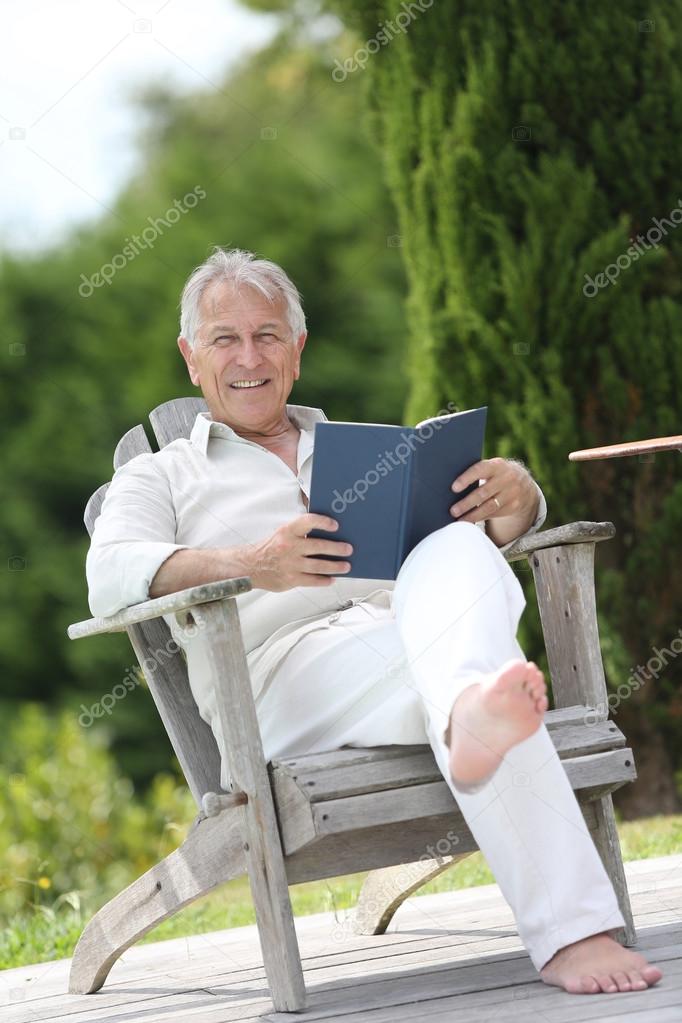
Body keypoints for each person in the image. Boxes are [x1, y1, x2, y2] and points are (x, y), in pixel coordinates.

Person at [86, 247, 662, 995]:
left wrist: (517, 503)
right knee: (478, 678)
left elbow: (468, 555)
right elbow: (109, 573)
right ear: (191, 358)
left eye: (268, 335)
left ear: (298, 348)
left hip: (409, 648)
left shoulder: (374, 451)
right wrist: (250, 560)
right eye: (225, 338)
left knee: (457, 557)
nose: (248, 356)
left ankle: (471, 717)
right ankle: (570, 917)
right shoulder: (159, 474)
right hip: (277, 680)